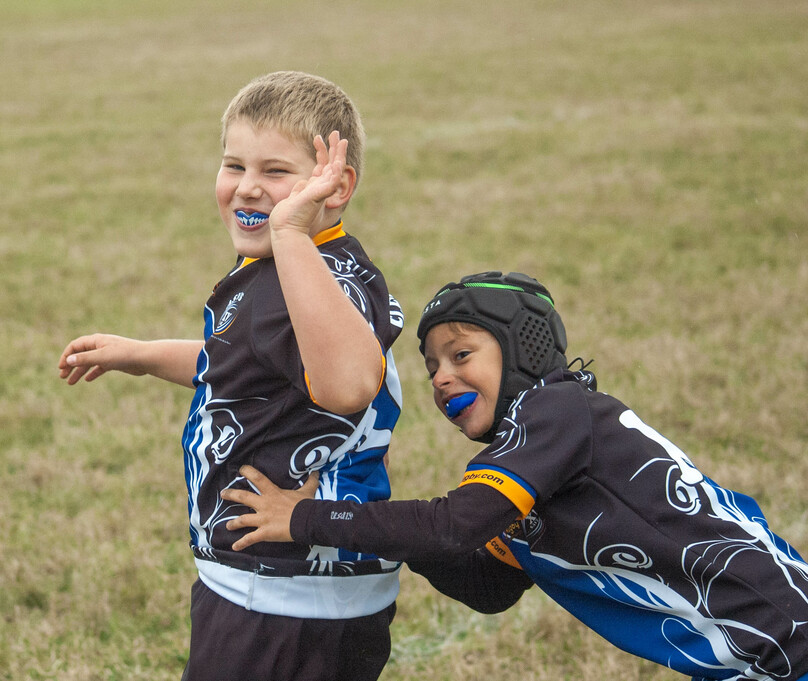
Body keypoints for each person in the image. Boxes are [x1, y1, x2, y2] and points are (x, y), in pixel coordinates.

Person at [222, 271, 808, 681]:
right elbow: (488, 587)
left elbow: (452, 526)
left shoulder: (556, 410)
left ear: (524, 346)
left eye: (461, 355)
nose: (441, 378)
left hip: (786, 643)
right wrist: (376, 518)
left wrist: (306, 517)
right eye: (431, 367)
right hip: (754, 659)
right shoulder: (533, 462)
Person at [58, 71, 404, 681]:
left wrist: (289, 231)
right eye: (234, 166)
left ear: (337, 187)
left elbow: (350, 385)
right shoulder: (295, 267)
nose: (248, 187)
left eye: (276, 171)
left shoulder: (318, 277)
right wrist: (140, 354)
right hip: (279, 587)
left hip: (283, 596)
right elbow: (243, 366)